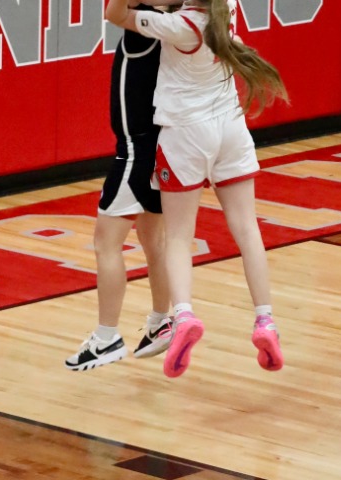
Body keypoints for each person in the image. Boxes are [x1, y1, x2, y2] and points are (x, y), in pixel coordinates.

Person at [105, 0, 289, 378]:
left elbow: (115, 13)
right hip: (231, 128)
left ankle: (184, 315)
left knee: (177, 236)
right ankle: (265, 320)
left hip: (186, 134)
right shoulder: (227, 6)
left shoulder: (179, 26)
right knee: (247, 229)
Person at [65, 2, 184, 371]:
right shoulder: (173, 25)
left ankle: (107, 337)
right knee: (153, 240)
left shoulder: (144, 27)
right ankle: (161, 320)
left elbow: (113, 9)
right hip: (160, 147)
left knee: (106, 243)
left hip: (135, 152)